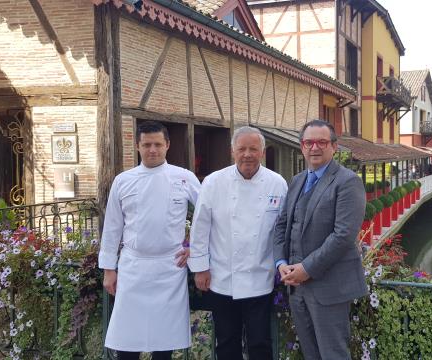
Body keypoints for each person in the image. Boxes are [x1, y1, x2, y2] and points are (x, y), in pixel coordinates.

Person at [98, 121, 201, 360]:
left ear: (167, 145)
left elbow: (207, 215)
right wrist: (108, 269)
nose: (152, 150)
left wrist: (194, 247)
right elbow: (112, 227)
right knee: (127, 342)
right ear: (137, 146)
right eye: (146, 145)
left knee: (163, 343)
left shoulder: (184, 177)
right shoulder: (123, 180)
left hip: (170, 268)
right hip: (133, 267)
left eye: (157, 144)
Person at [189, 126, 287, 360]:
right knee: (226, 342)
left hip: (260, 278)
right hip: (223, 277)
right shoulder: (214, 182)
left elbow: (282, 230)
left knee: (260, 343)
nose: (247, 154)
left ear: (263, 152)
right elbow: (200, 227)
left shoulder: (277, 183)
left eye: (253, 149)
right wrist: (200, 267)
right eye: (242, 149)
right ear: (232, 151)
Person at [273, 119, 368, 359]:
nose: (315, 147)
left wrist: (307, 268)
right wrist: (281, 263)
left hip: (330, 288)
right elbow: (282, 225)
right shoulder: (296, 181)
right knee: (311, 354)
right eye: (309, 142)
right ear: (302, 147)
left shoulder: (347, 182)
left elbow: (344, 235)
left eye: (322, 142)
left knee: (333, 354)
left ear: (334, 147)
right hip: (296, 288)